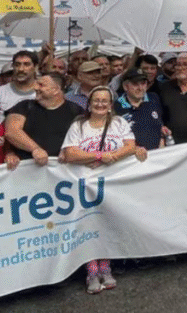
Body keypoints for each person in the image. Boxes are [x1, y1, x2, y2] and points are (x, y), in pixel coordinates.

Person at [62, 86, 146, 294]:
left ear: (110, 106)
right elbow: (70, 154)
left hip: (112, 183)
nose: (100, 104)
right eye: (96, 100)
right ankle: (91, 270)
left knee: (107, 223)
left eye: (104, 101)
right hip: (85, 185)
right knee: (89, 225)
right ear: (89, 104)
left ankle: (106, 267)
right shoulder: (79, 125)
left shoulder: (119, 123)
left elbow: (130, 145)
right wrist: (100, 156)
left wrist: (112, 158)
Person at [5, 72, 85, 164]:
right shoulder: (24, 106)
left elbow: (85, 136)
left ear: (55, 90)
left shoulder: (76, 110)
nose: (35, 88)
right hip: (28, 169)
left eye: (41, 85)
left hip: (63, 170)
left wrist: (68, 150)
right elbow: (11, 132)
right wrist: (35, 149)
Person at [113, 68, 165, 151]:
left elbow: (160, 123)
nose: (140, 88)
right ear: (125, 86)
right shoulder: (116, 106)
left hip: (156, 155)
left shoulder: (154, 98)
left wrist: (162, 136)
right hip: (130, 157)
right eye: (135, 84)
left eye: (143, 83)